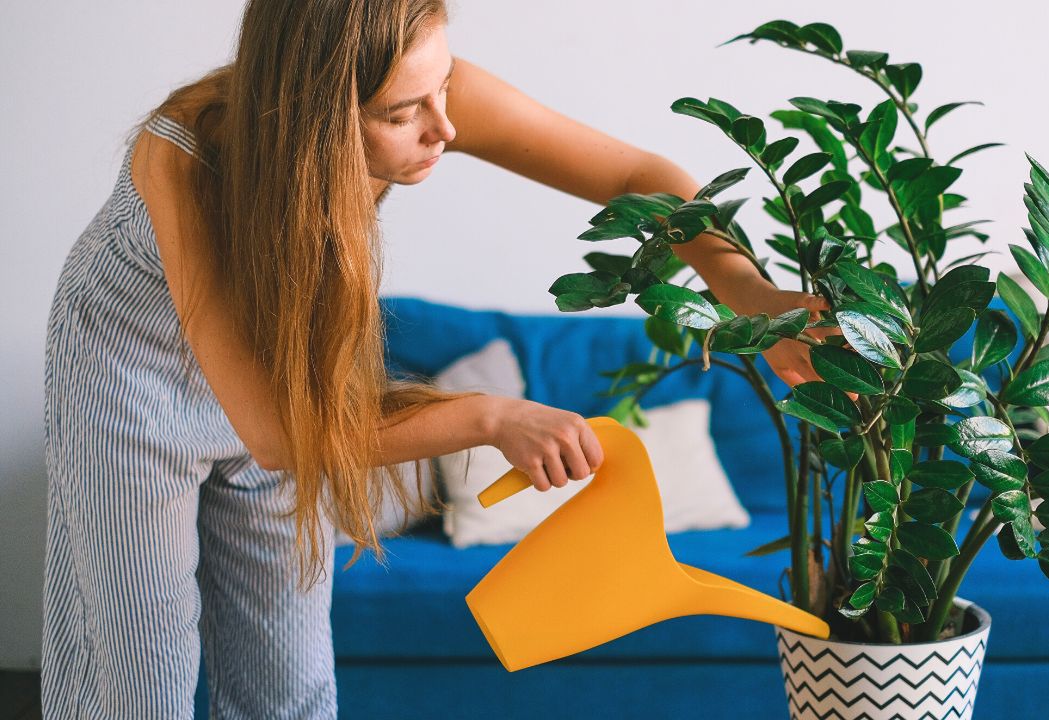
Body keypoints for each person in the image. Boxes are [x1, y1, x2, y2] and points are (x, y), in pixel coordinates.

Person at [40, 0, 839, 717]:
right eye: (401, 113)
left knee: (292, 679)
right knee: (139, 679)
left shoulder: (430, 94)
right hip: (129, 374)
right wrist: (490, 416)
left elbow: (635, 177)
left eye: (443, 86)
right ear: (313, 122)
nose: (445, 129)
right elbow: (278, 438)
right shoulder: (181, 157)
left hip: (277, 378)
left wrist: (750, 295)